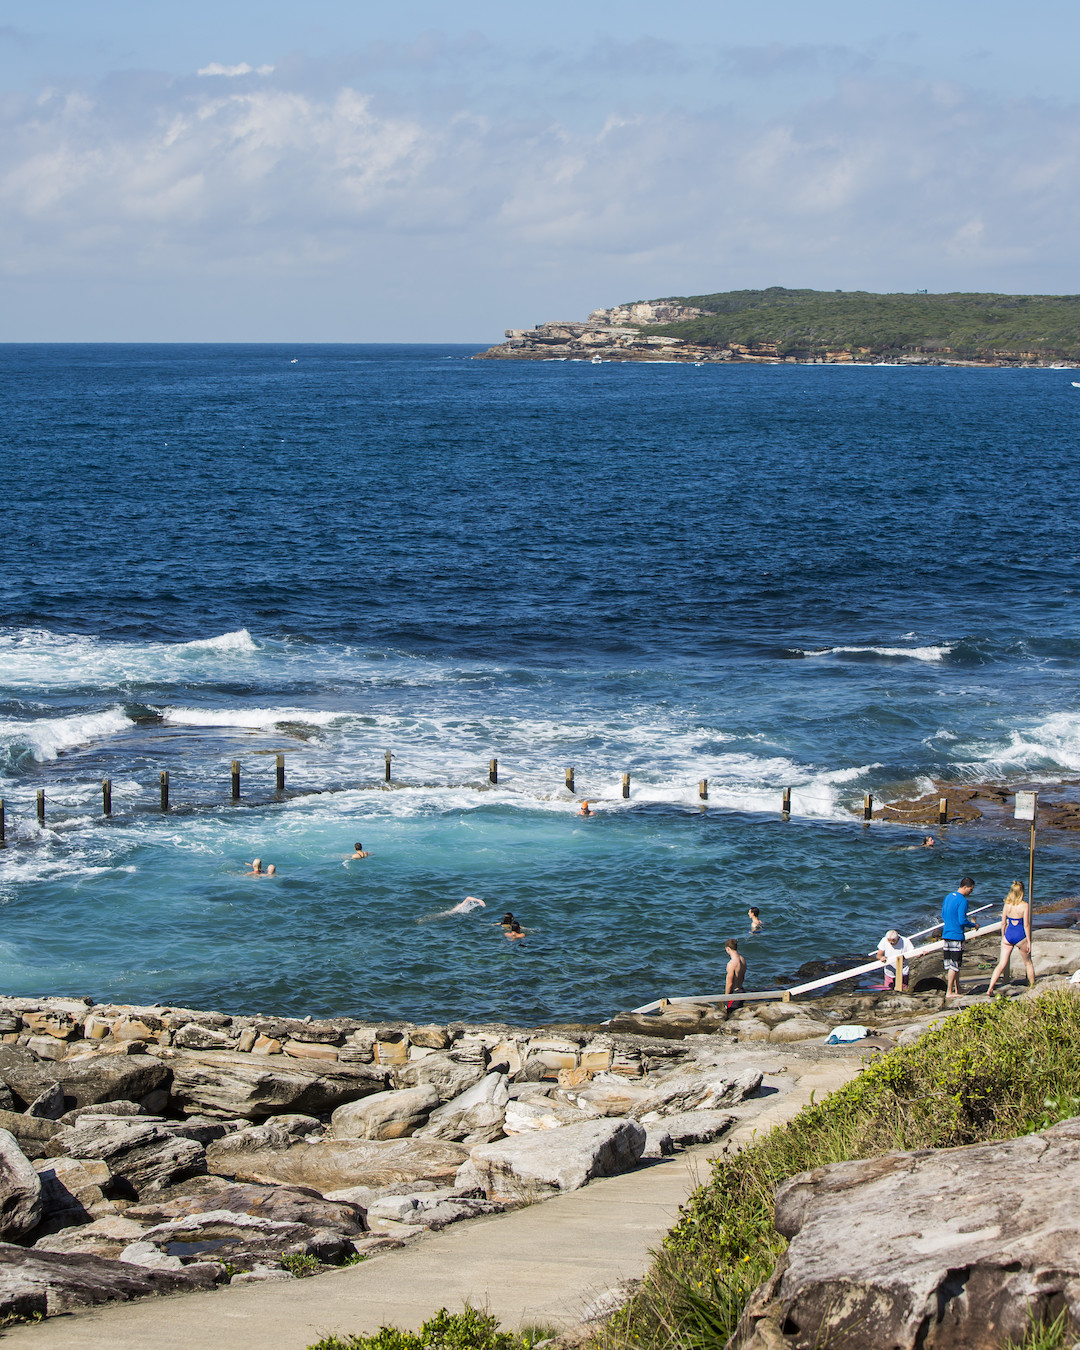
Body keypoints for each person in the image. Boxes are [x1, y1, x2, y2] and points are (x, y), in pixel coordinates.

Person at [986, 881, 1036, 994]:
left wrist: (1003, 936)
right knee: (1028, 963)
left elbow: (1003, 923)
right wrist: (1029, 941)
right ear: (1022, 892)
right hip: (1020, 935)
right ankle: (1032, 987)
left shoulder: (1007, 905)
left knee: (1001, 964)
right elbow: (1026, 925)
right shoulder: (1024, 905)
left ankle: (990, 988)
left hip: (1008, 935)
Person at [941, 876, 979, 998]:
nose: (971, 892)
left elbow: (943, 914)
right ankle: (949, 992)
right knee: (954, 964)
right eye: (971, 889)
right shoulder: (962, 901)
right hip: (956, 935)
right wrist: (973, 925)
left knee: (954, 964)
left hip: (946, 934)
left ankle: (957, 989)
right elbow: (962, 920)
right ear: (965, 887)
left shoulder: (948, 897)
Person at [725, 938, 746, 1009]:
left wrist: (725, 998)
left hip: (734, 994)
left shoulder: (731, 964)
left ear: (728, 949)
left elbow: (729, 983)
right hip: (741, 991)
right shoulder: (742, 959)